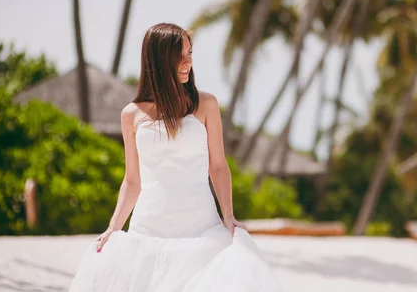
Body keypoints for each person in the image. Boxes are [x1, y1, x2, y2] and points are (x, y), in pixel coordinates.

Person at [69, 23, 283, 292]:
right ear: (159, 59)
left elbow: (217, 166)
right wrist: (114, 227)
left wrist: (228, 215)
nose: (188, 62)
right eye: (180, 55)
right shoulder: (131, 114)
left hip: (200, 227)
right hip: (147, 227)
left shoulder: (206, 104)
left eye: (190, 53)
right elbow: (132, 180)